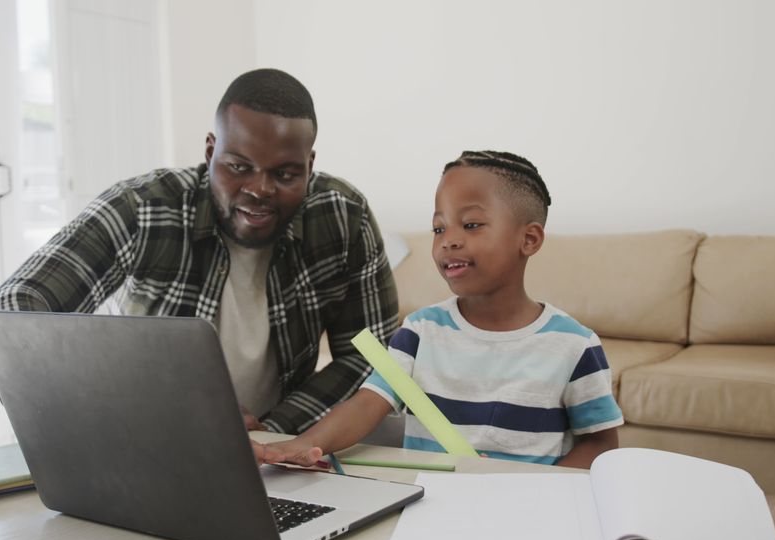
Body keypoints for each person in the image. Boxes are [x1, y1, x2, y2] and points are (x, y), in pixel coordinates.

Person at [0, 69, 398, 435]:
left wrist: (271, 430)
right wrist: (142, 410)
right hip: (143, 440)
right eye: (238, 166)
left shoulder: (344, 216)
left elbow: (375, 355)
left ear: (310, 165)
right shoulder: (143, 209)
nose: (259, 190)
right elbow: (8, 318)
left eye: (285, 174)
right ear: (209, 151)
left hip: (276, 453)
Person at [256, 150, 623, 469]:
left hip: (522, 514)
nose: (449, 240)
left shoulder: (575, 347)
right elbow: (367, 404)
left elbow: (600, 444)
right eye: (438, 228)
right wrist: (305, 443)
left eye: (472, 224)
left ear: (528, 239)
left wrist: (536, 487)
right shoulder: (419, 332)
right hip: (428, 507)